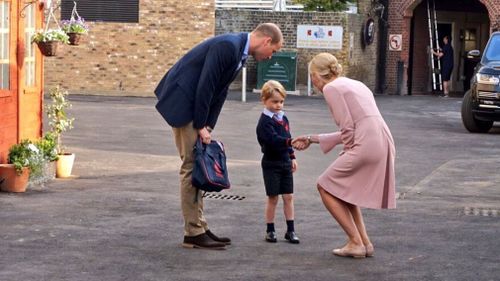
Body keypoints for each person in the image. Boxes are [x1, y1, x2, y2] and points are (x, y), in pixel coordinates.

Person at [154, 23, 283, 250]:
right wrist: (201, 124)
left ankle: (199, 226)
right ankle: (193, 232)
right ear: (266, 41)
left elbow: (219, 92)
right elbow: (206, 85)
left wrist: (209, 126)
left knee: (198, 164)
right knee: (191, 167)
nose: (271, 57)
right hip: (184, 103)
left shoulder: (238, 52)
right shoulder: (228, 46)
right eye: (273, 51)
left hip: (193, 106)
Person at [292, 53, 396, 258]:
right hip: (382, 141)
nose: (312, 80)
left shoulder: (331, 89)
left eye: (312, 75)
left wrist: (348, 151)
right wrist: (312, 138)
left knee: (324, 185)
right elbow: (360, 125)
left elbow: (347, 128)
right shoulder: (353, 84)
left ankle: (356, 242)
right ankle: (364, 242)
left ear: (316, 75)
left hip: (364, 144)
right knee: (345, 191)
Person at [256, 80, 300, 244]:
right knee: (273, 197)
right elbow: (273, 140)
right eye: (274, 102)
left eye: (281, 101)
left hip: (285, 162)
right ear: (264, 100)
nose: (278, 105)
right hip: (271, 163)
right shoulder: (265, 122)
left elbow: (287, 137)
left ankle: (290, 230)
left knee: (288, 196)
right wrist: (290, 143)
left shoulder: (283, 118)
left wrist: (292, 156)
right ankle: (270, 230)